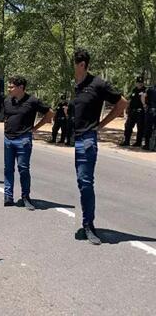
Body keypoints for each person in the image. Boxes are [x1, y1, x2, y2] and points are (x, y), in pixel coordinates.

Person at [72, 48, 127, 245]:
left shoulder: (98, 84)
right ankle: (87, 221)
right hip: (76, 138)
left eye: (73, 63)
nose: (71, 67)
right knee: (81, 182)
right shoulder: (75, 85)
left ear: (82, 65)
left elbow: (122, 103)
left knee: (85, 182)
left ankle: (89, 225)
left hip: (87, 139)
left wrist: (101, 125)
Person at [3, 76, 54, 210]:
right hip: (8, 139)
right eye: (9, 86)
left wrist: (35, 128)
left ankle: (25, 196)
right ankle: (8, 196)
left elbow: (49, 113)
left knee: (23, 169)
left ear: (21, 88)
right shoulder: (7, 101)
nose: (9, 89)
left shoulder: (32, 101)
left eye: (11, 87)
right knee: (8, 169)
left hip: (23, 140)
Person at [120, 76, 146, 146]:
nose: (140, 84)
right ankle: (126, 141)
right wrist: (127, 108)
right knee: (128, 126)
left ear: (143, 83)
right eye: (138, 82)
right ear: (136, 83)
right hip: (132, 111)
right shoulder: (134, 90)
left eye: (141, 83)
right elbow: (130, 100)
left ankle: (138, 142)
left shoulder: (145, 90)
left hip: (140, 112)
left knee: (140, 128)